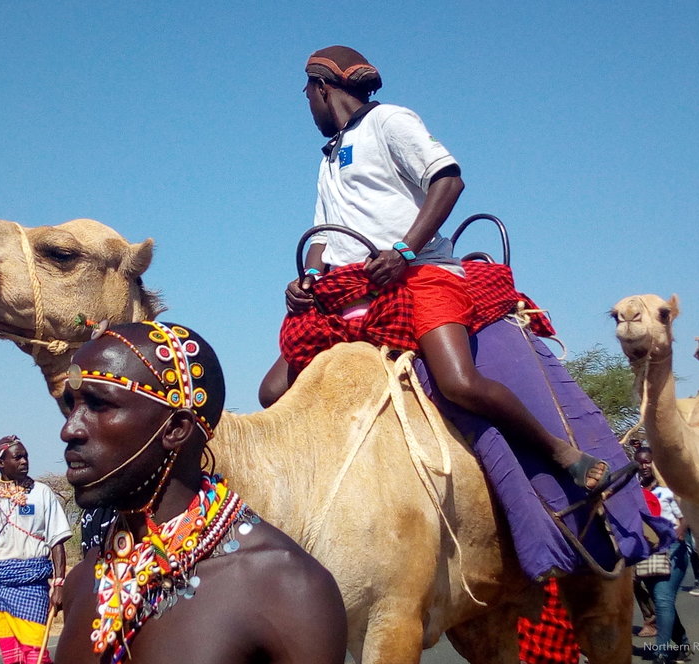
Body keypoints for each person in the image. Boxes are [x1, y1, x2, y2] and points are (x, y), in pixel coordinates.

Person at [259, 44, 608, 491]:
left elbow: (448, 178)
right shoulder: (330, 156)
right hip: (349, 288)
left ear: (322, 88)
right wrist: (308, 277)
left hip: (419, 271)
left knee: (459, 382)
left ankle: (560, 450)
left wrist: (404, 250)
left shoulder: (389, 122)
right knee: (272, 392)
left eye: (307, 95)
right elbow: (322, 235)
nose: (307, 106)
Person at [56, 320, 348, 663]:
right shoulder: (83, 581)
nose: (69, 429)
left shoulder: (286, 587)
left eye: (98, 404)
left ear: (176, 429)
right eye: (70, 405)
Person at [0, 435, 72, 664]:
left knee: (35, 656)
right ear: (0, 463)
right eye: (18, 457)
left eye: (26, 456)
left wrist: (59, 585)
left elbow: (56, 541)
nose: (24, 461)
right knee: (12, 659)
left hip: (33, 588)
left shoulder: (42, 494)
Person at [635, 447, 690, 663]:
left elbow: (686, 516)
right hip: (649, 554)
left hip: (673, 551)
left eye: (648, 461)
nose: (644, 465)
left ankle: (662, 652)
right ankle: (683, 642)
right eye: (640, 462)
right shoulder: (634, 492)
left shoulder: (668, 491)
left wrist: (680, 530)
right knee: (662, 602)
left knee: (663, 600)